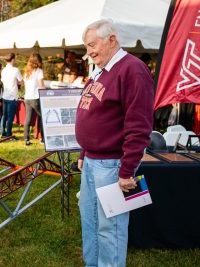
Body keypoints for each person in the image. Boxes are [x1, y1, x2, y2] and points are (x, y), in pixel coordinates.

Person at [75, 19, 153, 267]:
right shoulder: (102, 70)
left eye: (92, 45)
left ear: (111, 39)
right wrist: (84, 151)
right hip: (91, 162)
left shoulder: (133, 69)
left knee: (112, 228)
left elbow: (139, 125)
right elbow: (95, 115)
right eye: (86, 47)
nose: (89, 52)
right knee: (90, 223)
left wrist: (127, 169)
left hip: (112, 165)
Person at [23, 53, 45, 146]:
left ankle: (26, 140)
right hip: (35, 98)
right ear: (38, 61)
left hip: (27, 98)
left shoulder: (26, 72)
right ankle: (43, 139)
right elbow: (41, 86)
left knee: (27, 119)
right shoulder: (39, 71)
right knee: (43, 118)